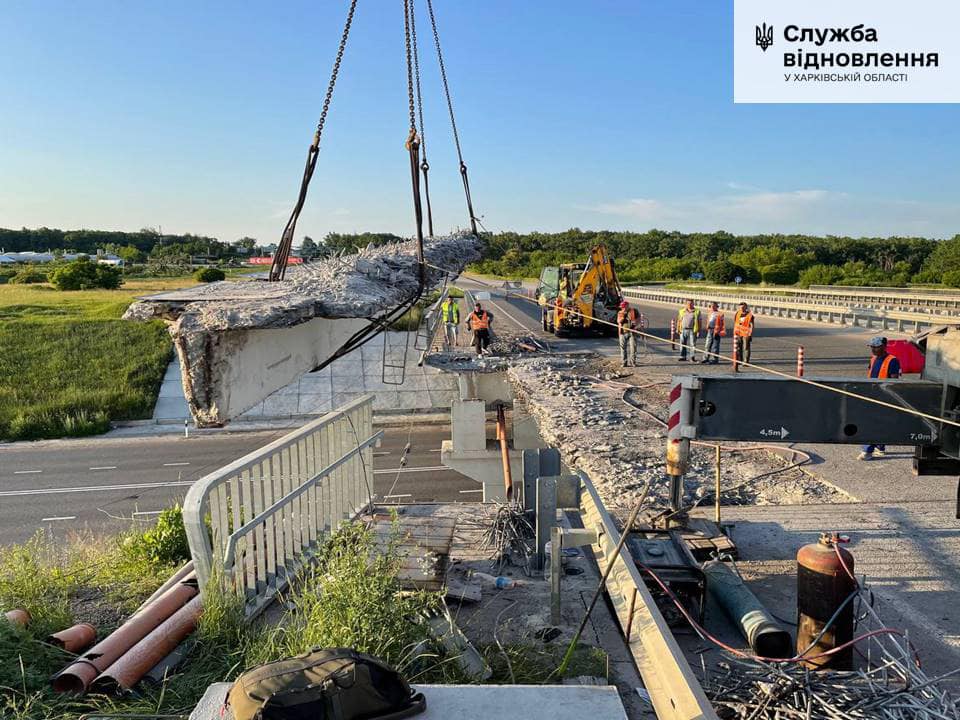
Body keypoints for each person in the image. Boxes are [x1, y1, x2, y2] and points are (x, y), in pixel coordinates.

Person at [858, 337, 902, 460]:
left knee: (871, 423)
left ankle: (867, 451)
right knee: (879, 423)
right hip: (872, 394)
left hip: (884, 396)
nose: (873, 349)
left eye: (875, 346)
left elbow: (894, 381)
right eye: (871, 346)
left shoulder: (892, 361)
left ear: (883, 346)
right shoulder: (873, 359)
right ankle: (879, 447)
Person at [617, 300, 639, 367]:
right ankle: (624, 362)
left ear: (627, 306)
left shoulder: (634, 311)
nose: (623, 308)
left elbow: (639, 318)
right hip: (623, 332)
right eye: (622, 307)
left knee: (633, 348)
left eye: (624, 307)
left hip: (632, 332)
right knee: (623, 348)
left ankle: (633, 362)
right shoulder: (620, 312)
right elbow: (618, 321)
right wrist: (622, 318)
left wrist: (637, 323)